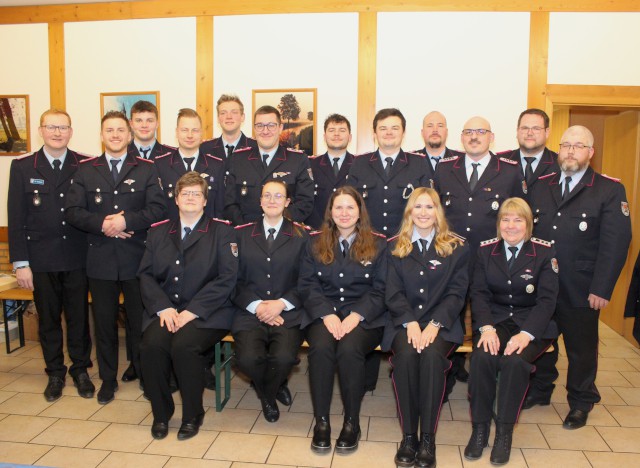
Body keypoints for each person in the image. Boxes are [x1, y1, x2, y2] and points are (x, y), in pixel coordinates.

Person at [527, 125, 631, 429]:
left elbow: (616, 243)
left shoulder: (609, 189)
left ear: (590, 152)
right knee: (543, 341)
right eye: (566, 145)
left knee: (581, 348)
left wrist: (602, 287)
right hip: (543, 285)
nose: (571, 151)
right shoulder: (541, 186)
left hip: (582, 286)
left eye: (578, 146)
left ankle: (581, 401)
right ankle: (541, 390)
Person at [65, 110, 166, 405]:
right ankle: (108, 380)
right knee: (105, 324)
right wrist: (104, 225)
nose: (115, 135)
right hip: (100, 259)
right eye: (109, 131)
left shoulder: (146, 169)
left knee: (139, 324)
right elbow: (72, 211)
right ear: (101, 135)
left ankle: (145, 376)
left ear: (130, 134)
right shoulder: (86, 170)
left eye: (121, 130)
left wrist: (126, 222)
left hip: (137, 258)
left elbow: (158, 209)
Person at [138, 172, 238, 440]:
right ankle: (161, 413)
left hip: (208, 312)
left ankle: (193, 414)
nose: (191, 198)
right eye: (186, 193)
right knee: (151, 346)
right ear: (176, 198)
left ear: (205, 200)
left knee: (184, 346)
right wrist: (163, 307)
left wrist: (192, 311)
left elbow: (227, 278)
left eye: (197, 194)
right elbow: (146, 274)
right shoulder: (159, 232)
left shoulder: (222, 232)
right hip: (167, 310)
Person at [434, 116, 525, 399]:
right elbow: (435, 214)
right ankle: (445, 379)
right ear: (461, 137)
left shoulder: (509, 171)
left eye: (481, 132)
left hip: (493, 262)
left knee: (490, 319)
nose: (474, 136)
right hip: (452, 260)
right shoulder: (445, 168)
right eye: (469, 132)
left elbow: (519, 216)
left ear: (491, 137)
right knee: (451, 318)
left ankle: (487, 383)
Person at [8, 109, 94, 402]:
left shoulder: (85, 164)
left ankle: (80, 369)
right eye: (51, 127)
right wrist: (21, 264)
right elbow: (16, 217)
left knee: (79, 318)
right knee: (48, 319)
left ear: (71, 131)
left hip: (77, 256)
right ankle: (55, 371)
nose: (57, 133)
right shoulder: (22, 167)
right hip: (41, 259)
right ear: (40, 130)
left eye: (63, 127)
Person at [465, 197, 559, 464]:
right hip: (495, 322)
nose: (511, 225)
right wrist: (486, 329)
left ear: (528, 224)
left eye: (518, 219)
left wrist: (526, 334)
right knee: (482, 357)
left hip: (533, 324)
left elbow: (547, 301)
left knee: (515, 362)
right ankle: (480, 429)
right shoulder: (485, 251)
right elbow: (479, 294)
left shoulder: (544, 252)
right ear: (498, 224)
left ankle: (504, 433)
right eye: (505, 219)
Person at [298, 186, 388, 454]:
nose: (344, 213)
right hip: (323, 313)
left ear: (360, 211)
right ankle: (322, 421)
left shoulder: (379, 244)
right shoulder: (313, 242)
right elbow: (306, 284)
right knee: (322, 349)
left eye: (350, 207)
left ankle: (352, 422)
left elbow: (381, 289)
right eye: (339, 207)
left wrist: (356, 315)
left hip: (364, 316)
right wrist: (325, 313)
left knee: (349, 350)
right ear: (330, 212)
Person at [384, 188, 469, 468]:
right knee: (406, 357)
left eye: (429, 207)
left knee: (432, 358)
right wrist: (409, 322)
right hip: (403, 322)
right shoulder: (395, 246)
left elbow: (457, 293)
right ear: (409, 212)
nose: (423, 212)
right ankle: (409, 437)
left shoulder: (456, 247)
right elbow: (392, 292)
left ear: (438, 212)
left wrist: (435, 323)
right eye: (417, 207)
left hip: (441, 324)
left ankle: (428, 438)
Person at [232, 180, 308, 422]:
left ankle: (266, 391)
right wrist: (258, 306)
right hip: (249, 312)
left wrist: (281, 304)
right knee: (246, 359)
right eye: (267, 195)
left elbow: (308, 280)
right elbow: (232, 279)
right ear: (260, 201)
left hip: (287, 312)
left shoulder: (302, 235)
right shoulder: (241, 234)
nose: (272, 200)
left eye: (278, 196)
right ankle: (271, 390)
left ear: (287, 202)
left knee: (285, 358)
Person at [224, 105, 314, 225]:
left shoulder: (298, 160)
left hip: (285, 235)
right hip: (246, 235)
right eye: (260, 126)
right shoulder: (238, 159)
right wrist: (247, 229)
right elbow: (229, 203)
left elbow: (305, 203)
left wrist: (277, 225)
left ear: (280, 128)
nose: (265, 131)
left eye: (271, 125)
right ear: (254, 129)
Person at [347, 108, 431, 235]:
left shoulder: (419, 163)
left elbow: (430, 205)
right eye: (383, 128)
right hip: (367, 241)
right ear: (374, 134)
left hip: (405, 241)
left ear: (403, 133)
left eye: (395, 128)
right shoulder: (359, 163)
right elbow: (350, 203)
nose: (389, 132)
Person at [155, 108, 225, 220]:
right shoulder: (160, 165)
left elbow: (220, 209)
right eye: (184, 130)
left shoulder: (216, 166)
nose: (190, 135)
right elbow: (156, 208)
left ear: (201, 133)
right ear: (176, 132)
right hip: (170, 234)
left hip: (207, 234)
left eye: (195, 130)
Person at [307, 114, 355, 229]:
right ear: (324, 137)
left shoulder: (360, 165)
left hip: (351, 233)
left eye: (342, 130)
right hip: (317, 232)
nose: (336, 134)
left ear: (350, 137)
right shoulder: (310, 164)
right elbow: (306, 201)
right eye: (331, 130)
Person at [499, 109, 559, 197]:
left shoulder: (559, 163)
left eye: (536, 128)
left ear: (547, 132)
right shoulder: (500, 162)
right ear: (517, 131)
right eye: (525, 128)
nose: (529, 133)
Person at [200, 94, 256, 161]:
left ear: (242, 117)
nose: (229, 117)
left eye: (234, 112)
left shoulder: (256, 148)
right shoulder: (204, 149)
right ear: (218, 118)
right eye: (223, 113)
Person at [414, 111, 463, 180]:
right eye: (430, 126)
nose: (435, 130)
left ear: (446, 132)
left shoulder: (461, 160)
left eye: (440, 126)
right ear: (422, 132)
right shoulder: (411, 161)